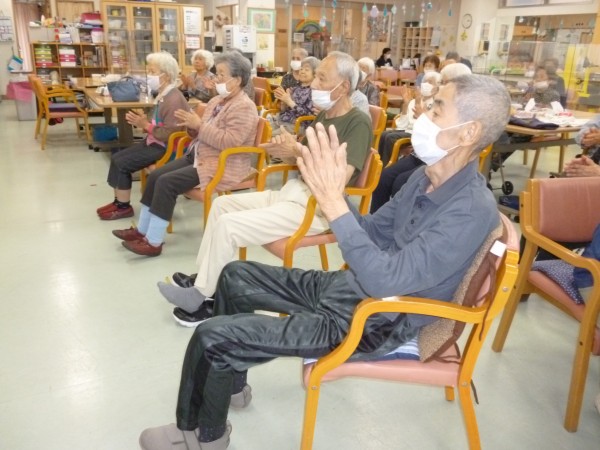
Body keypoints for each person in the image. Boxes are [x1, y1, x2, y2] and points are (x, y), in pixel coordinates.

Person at [138, 73, 511, 450]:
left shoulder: (468, 211)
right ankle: (228, 384)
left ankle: (201, 436)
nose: (424, 113)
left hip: (377, 321)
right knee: (235, 276)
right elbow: (372, 231)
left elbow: (385, 281)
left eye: (437, 108)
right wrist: (331, 191)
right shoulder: (423, 177)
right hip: (357, 292)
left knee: (212, 337)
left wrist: (333, 203)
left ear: (469, 133)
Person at [156, 51, 372, 324]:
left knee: (229, 225)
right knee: (222, 205)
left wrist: (299, 152)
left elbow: (338, 180)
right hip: (294, 193)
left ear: (343, 87)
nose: (314, 84)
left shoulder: (358, 122)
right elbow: (302, 161)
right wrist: (286, 152)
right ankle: (207, 280)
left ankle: (202, 297)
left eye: (321, 78)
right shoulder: (324, 116)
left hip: (318, 207)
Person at [111, 51, 259, 257]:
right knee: (155, 176)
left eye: (221, 75)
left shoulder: (244, 107)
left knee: (167, 182)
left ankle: (153, 241)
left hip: (223, 163)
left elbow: (229, 142)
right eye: (217, 74)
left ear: (237, 80)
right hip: (200, 154)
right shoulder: (217, 101)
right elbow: (200, 132)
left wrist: (199, 126)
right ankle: (142, 230)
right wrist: (191, 126)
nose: (216, 79)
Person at [96, 52, 188, 221]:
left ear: (166, 76)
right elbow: (157, 123)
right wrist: (144, 121)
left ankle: (123, 207)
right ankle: (119, 201)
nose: (149, 76)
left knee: (123, 163)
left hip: (166, 148)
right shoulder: (163, 94)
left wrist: (145, 125)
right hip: (154, 142)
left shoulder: (174, 99)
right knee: (117, 157)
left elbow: (170, 134)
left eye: (153, 72)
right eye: (149, 71)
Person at [376, 70, 443, 167]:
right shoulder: (412, 101)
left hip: (417, 134)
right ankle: (379, 164)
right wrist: (406, 104)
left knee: (390, 138)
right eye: (425, 81)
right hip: (406, 130)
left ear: (437, 88)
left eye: (431, 82)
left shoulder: (435, 105)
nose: (426, 84)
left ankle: (386, 166)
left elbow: (426, 127)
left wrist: (419, 105)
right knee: (384, 134)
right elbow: (401, 125)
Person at [270, 56, 319, 134]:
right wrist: (284, 101)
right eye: (301, 69)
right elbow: (284, 110)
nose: (302, 71)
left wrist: (289, 102)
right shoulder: (295, 88)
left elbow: (309, 116)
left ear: (315, 74)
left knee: (269, 136)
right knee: (261, 131)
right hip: (282, 120)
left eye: (306, 70)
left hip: (298, 125)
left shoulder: (314, 91)